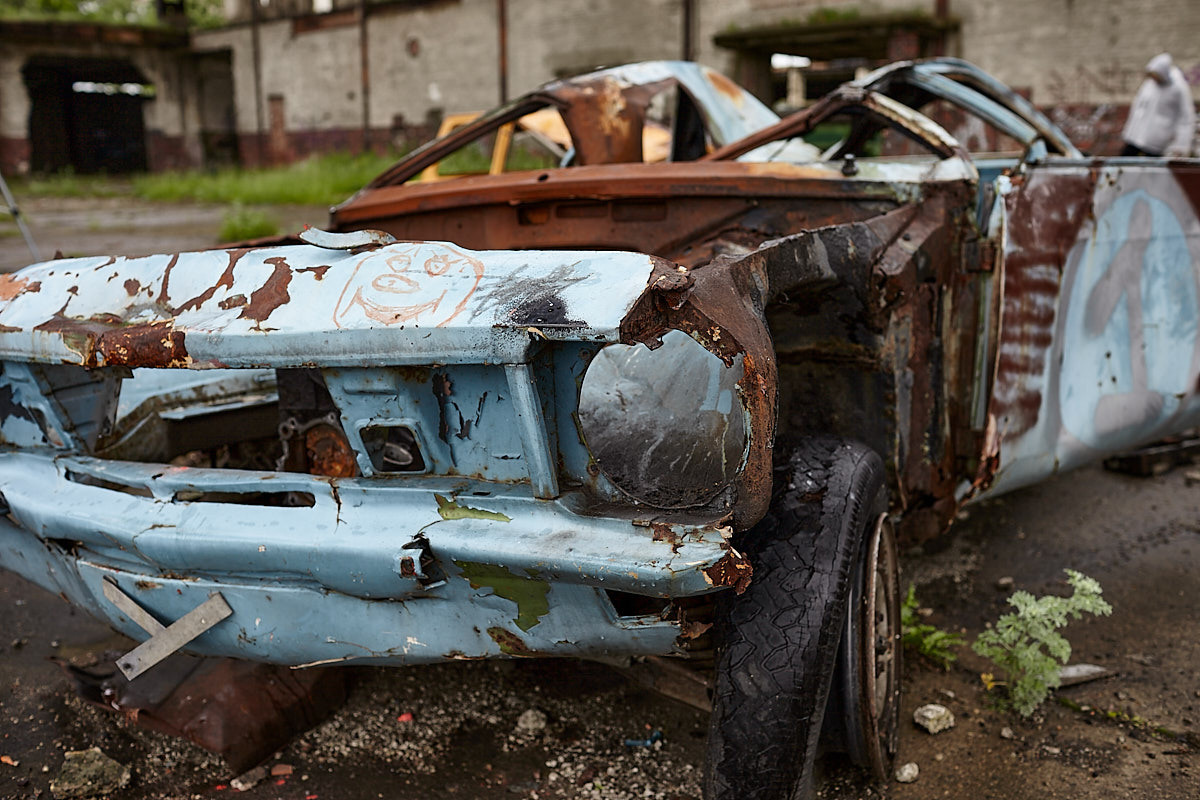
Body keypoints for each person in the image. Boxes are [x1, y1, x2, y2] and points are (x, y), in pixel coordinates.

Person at [1121, 53, 1196, 157]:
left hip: (1157, 141)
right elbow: (1138, 107)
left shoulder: (1179, 88)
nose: (1154, 79)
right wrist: (1129, 131)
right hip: (1136, 136)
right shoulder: (1149, 84)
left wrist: (1181, 146)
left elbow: (1186, 118)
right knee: (1124, 162)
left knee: (1153, 169)